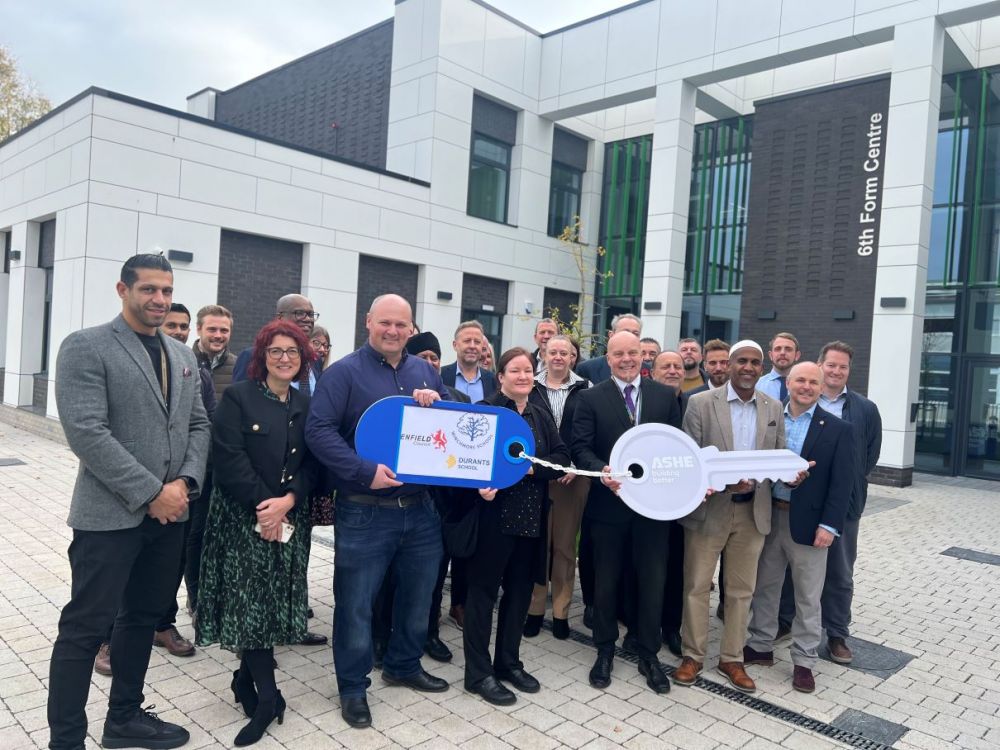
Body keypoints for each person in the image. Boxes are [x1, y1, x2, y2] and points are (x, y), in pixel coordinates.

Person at [48, 253, 210, 750]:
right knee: (85, 627)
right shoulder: (86, 346)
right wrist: (150, 493)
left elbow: (199, 424)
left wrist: (183, 483)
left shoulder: (182, 356)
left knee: (141, 619)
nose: (159, 300)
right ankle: (67, 740)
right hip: (109, 519)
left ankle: (124, 720)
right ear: (123, 290)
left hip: (170, 517)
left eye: (166, 290)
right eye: (148, 290)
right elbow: (86, 432)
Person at [306, 294, 451, 730]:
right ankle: (352, 687)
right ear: (368, 322)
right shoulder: (344, 373)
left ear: (411, 328)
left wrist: (438, 403)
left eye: (401, 324)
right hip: (365, 509)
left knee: (419, 594)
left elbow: (448, 432)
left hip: (420, 509)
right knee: (356, 605)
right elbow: (318, 430)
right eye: (384, 322)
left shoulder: (425, 371)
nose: (392, 331)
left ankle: (404, 664)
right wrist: (362, 470)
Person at [195, 320, 317, 745]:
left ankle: (243, 682)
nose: (285, 359)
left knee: (268, 605)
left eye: (293, 352)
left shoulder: (305, 403)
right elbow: (228, 459)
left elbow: (312, 466)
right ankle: (268, 699)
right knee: (253, 607)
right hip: (243, 520)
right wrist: (266, 508)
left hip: (288, 520)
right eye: (276, 351)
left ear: (303, 360)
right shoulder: (238, 397)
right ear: (262, 356)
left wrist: (287, 503)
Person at [675, 340, 794, 694]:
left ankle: (731, 659)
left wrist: (792, 472)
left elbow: (778, 455)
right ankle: (692, 655)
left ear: (761, 367)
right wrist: (721, 482)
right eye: (741, 361)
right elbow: (689, 459)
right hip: (709, 510)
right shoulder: (699, 403)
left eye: (755, 362)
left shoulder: (774, 406)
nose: (748, 367)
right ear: (728, 365)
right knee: (696, 586)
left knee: (741, 591)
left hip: (752, 512)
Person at [571, 331, 681, 694]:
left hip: (653, 510)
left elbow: (675, 449)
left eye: (633, 353)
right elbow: (580, 448)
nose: (627, 359)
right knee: (606, 582)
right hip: (608, 508)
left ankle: (649, 653)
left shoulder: (666, 397)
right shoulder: (590, 397)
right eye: (619, 354)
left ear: (643, 356)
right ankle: (604, 650)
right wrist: (601, 470)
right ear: (609, 357)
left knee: (652, 581)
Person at [463, 347, 570, 706]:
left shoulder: (540, 414)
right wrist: (481, 487)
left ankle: (508, 661)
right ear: (502, 377)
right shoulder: (486, 412)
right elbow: (466, 462)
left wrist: (529, 469)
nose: (523, 376)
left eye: (528, 371)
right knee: (482, 595)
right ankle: (478, 673)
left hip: (531, 519)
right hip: (493, 517)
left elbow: (560, 459)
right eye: (516, 371)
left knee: (520, 594)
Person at [744, 362, 853, 694]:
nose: (806, 386)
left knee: (808, 595)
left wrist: (830, 526)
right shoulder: (770, 419)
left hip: (810, 524)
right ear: (787, 383)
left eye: (813, 382)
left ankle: (804, 661)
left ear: (821, 388)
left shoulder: (838, 429)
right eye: (800, 380)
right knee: (765, 586)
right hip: (768, 516)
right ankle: (760, 644)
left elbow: (842, 484)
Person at [232, 295, 326, 647]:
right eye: (298, 313)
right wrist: (268, 502)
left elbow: (314, 437)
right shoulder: (249, 367)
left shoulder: (312, 369)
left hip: (297, 493)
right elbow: (244, 427)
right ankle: (256, 642)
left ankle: (292, 622)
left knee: (292, 566)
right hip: (257, 495)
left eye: (310, 314)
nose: (305, 319)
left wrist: (293, 496)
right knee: (259, 574)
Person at [371, 331, 468, 667]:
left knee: (433, 576)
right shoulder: (395, 399)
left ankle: (429, 632)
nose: (429, 363)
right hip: (396, 498)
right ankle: (381, 636)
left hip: (438, 503)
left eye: (434, 357)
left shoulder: (454, 398)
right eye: (422, 356)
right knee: (388, 577)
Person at [152, 303, 216, 658]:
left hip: (182, 487)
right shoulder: (137, 362)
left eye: (183, 325)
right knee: (123, 568)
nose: (178, 331)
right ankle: (107, 638)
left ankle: (162, 625)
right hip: (136, 488)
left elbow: (201, 425)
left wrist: (187, 480)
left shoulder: (194, 370)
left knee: (171, 562)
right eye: (172, 324)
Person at [812, 341, 882, 664]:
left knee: (840, 572)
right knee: (792, 567)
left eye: (843, 367)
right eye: (832, 365)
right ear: (820, 365)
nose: (837, 371)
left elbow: (869, 456)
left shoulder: (865, 409)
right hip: (803, 501)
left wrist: (847, 485)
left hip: (846, 505)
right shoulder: (803, 399)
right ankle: (789, 623)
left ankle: (837, 633)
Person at [523, 335, 591, 640]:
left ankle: (561, 611)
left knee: (564, 547)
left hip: (572, 479)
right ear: (544, 354)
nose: (559, 357)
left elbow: (588, 431)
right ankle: (535, 609)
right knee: (537, 545)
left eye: (566, 353)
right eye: (554, 352)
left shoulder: (586, 389)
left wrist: (574, 466)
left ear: (573, 357)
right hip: (534, 477)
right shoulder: (530, 384)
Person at [649, 348, 687, 657]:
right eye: (666, 366)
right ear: (652, 372)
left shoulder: (696, 404)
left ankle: (671, 627)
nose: (673, 370)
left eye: (678, 366)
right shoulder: (646, 403)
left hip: (684, 500)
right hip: (649, 497)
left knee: (676, 566)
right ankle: (641, 625)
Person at [232, 294, 323, 396]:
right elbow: (239, 398)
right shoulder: (251, 356)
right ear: (279, 317)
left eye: (310, 314)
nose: (308, 319)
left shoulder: (315, 359)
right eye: (299, 313)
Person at [575, 313, 642, 385]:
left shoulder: (647, 370)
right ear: (611, 335)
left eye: (635, 333)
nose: (630, 337)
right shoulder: (587, 369)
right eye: (625, 332)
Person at [441, 320, 498, 401]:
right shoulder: (441, 376)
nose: (472, 346)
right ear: (455, 345)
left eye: (477, 342)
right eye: (467, 341)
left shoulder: (493, 381)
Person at [193, 304, 237, 399]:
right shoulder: (183, 362)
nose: (218, 335)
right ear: (198, 330)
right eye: (212, 329)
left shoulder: (239, 367)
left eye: (224, 330)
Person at [759, 332, 802, 402]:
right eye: (778, 349)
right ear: (770, 355)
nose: (782, 353)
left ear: (797, 355)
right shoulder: (757, 386)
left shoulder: (805, 387)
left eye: (788, 349)